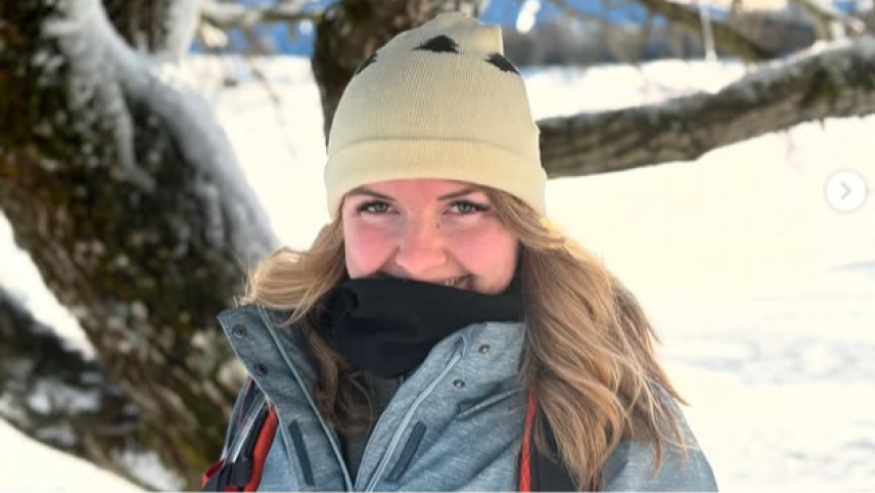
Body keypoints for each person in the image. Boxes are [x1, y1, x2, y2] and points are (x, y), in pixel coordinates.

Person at [208, 11, 719, 493]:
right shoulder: (281, 381)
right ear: (340, 222)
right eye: (377, 206)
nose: (418, 257)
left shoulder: (608, 428)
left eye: (464, 207)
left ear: (521, 223)